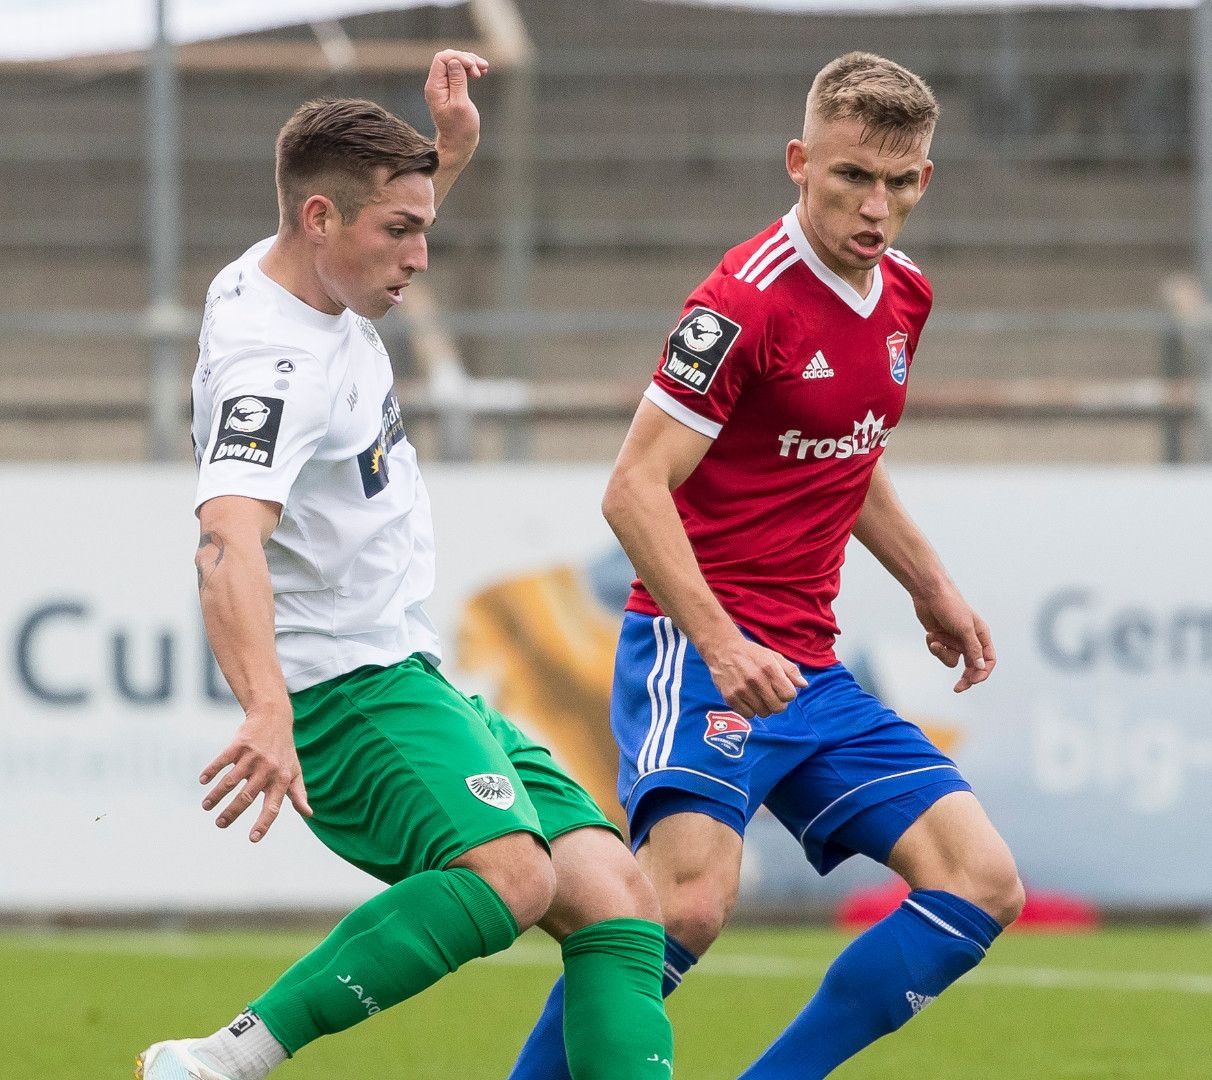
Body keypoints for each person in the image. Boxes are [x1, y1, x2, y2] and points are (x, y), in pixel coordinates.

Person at [138, 52, 673, 1080]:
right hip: (342, 686)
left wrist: (448, 156)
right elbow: (225, 538)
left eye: (424, 225)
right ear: (320, 221)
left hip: (404, 666)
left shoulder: (295, 269)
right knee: (513, 877)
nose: (422, 256)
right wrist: (265, 710)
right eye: (403, 231)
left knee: (613, 893)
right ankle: (219, 1063)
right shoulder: (276, 368)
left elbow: (370, 224)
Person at [509, 51, 1024, 1080]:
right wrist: (719, 637)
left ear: (927, 180)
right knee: (685, 904)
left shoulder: (906, 297)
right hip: (697, 650)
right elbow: (633, 487)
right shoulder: (742, 303)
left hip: (810, 669)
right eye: (851, 178)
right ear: (800, 163)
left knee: (980, 880)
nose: (876, 205)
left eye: (900, 181)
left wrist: (931, 586)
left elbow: (851, 455)